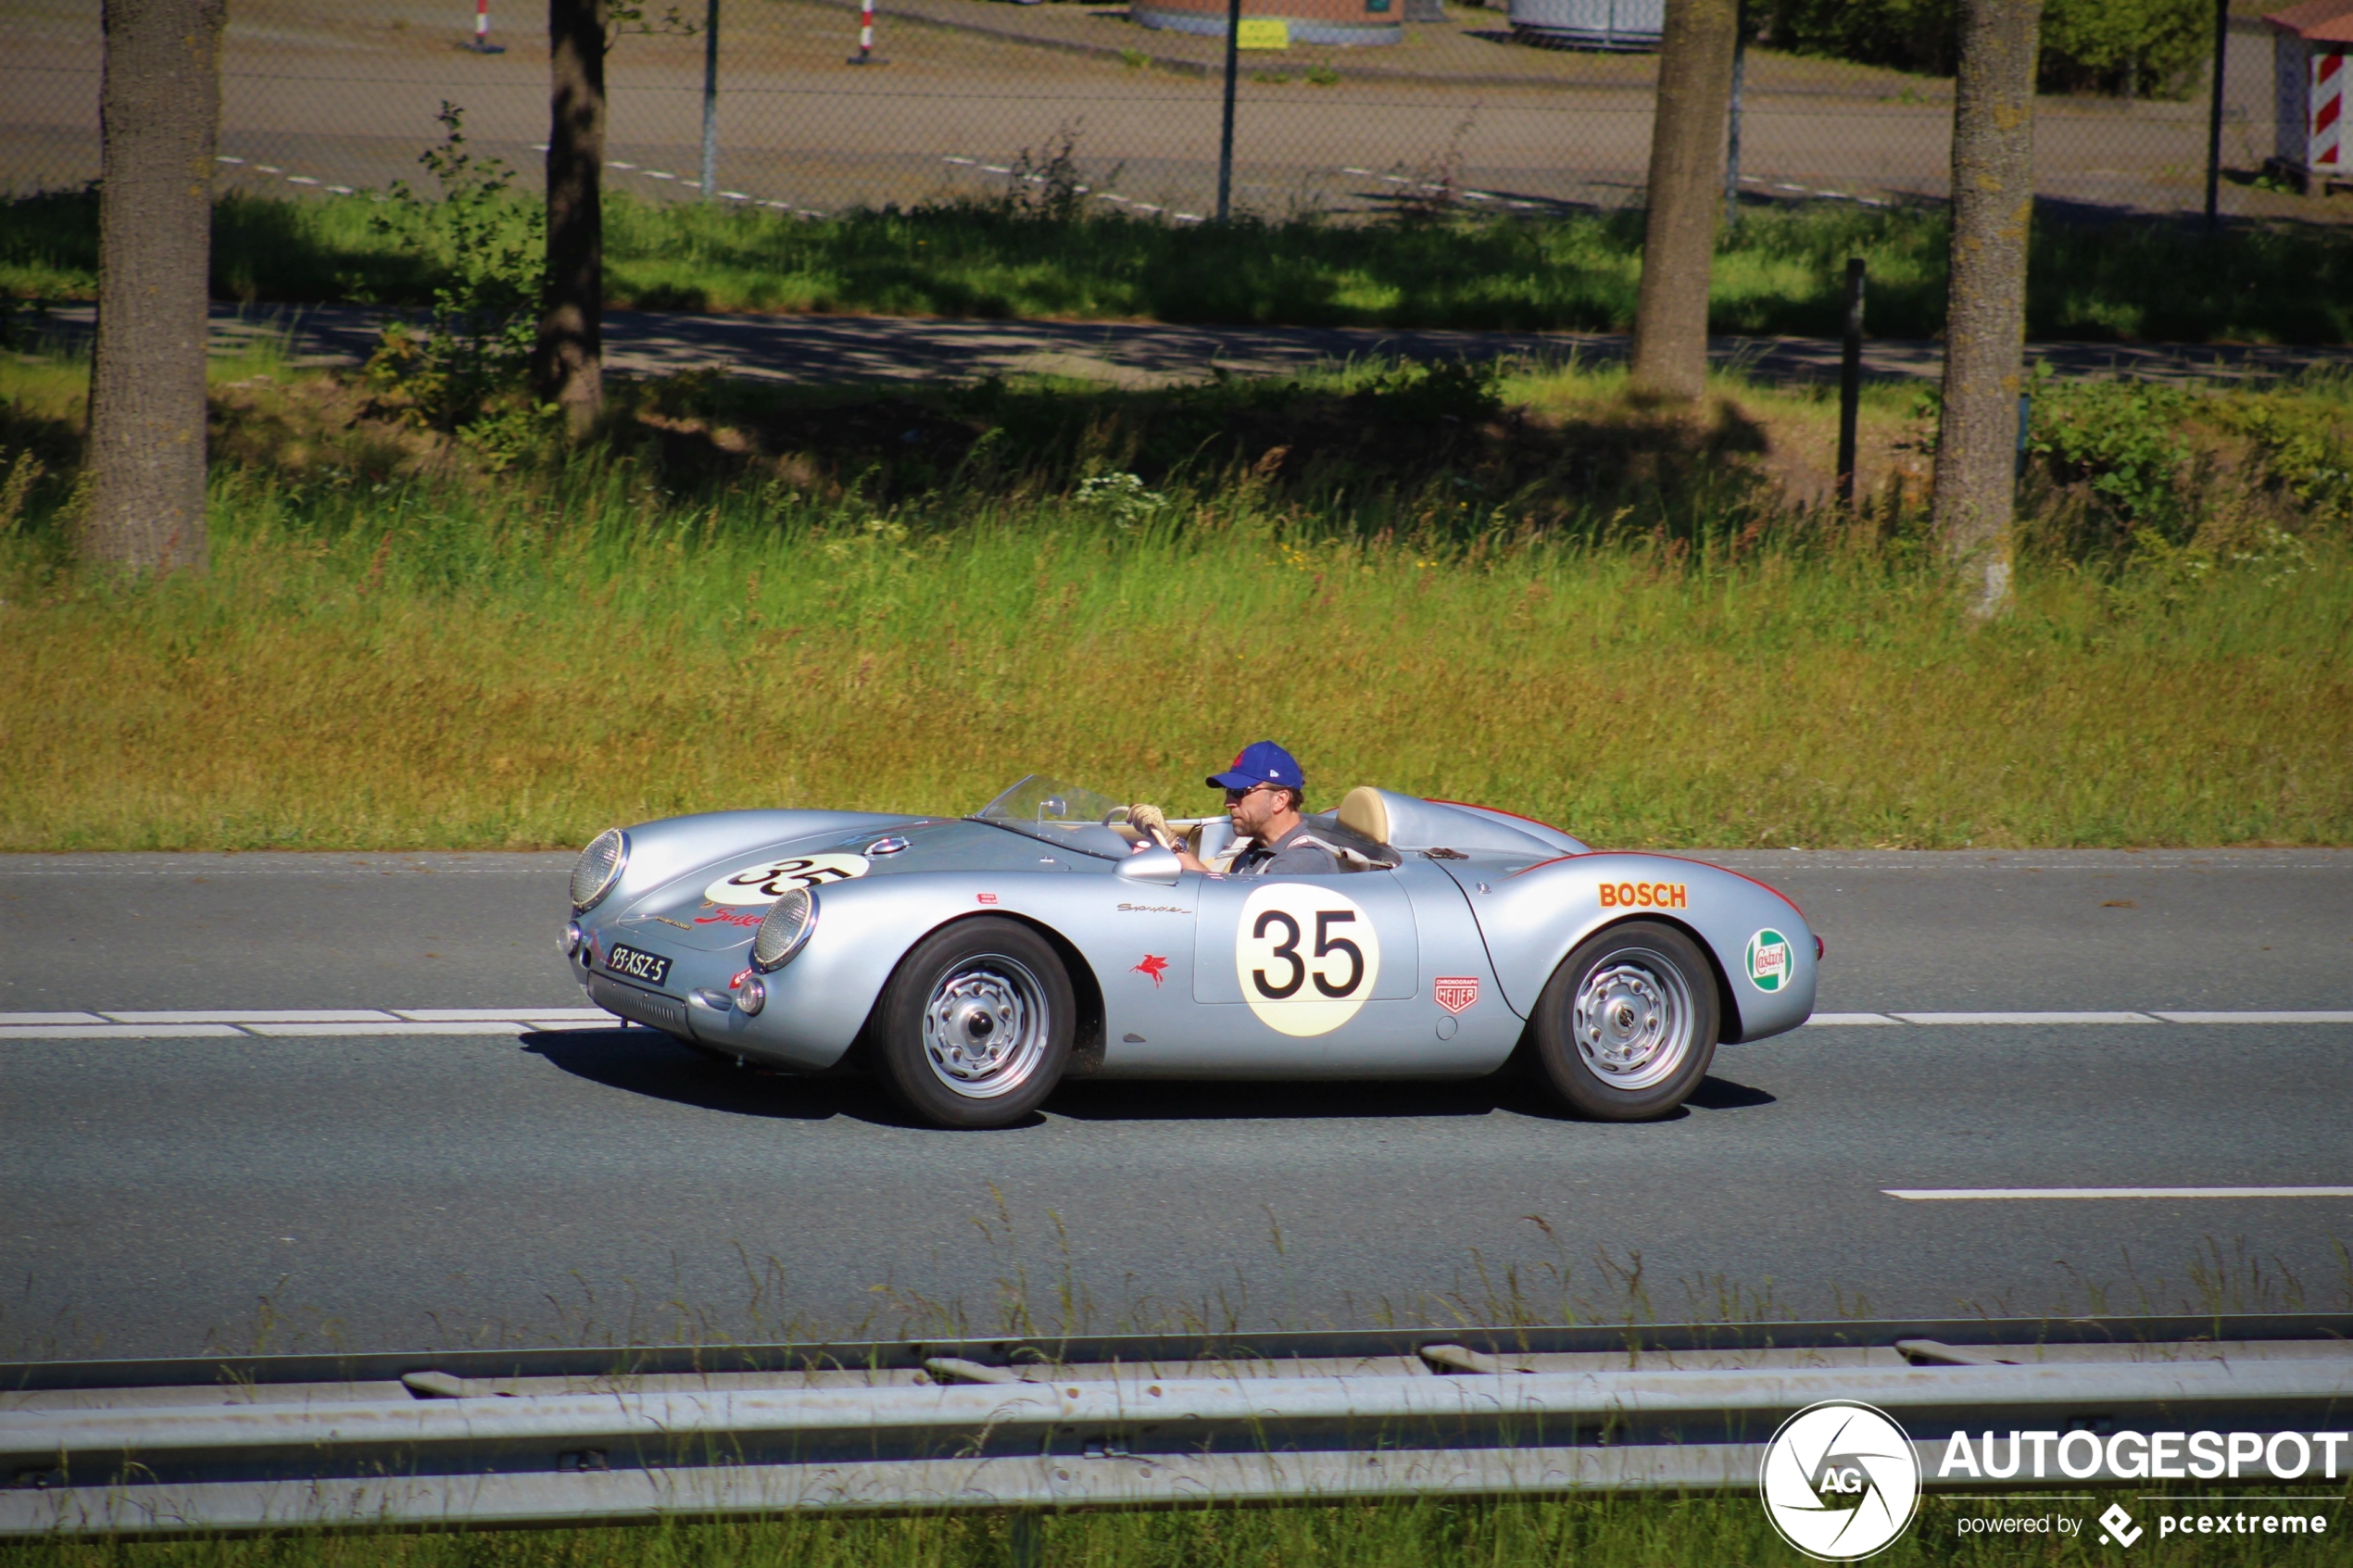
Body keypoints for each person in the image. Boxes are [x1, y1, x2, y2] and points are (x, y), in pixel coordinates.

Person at [1144, 741, 1345, 876]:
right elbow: (1217, 895)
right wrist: (1167, 841)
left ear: (1280, 800)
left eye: (1239, 792)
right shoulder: (1255, 850)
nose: (1228, 802)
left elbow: (1224, 913)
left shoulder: (1303, 862)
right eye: (1228, 791)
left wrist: (1172, 843)